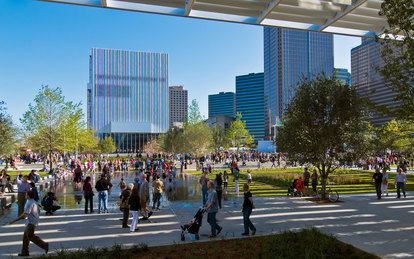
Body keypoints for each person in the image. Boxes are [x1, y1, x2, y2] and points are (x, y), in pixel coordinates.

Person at [9, 190, 49, 256]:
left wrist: (14, 220)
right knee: (25, 237)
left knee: (30, 236)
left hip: (31, 222)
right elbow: (38, 211)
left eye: (26, 195)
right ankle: (25, 252)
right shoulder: (33, 202)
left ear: (28, 196)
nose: (25, 196)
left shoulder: (29, 203)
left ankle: (44, 245)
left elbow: (24, 215)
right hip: (32, 221)